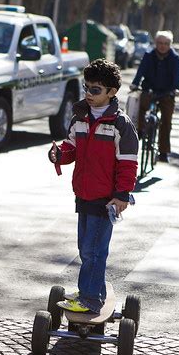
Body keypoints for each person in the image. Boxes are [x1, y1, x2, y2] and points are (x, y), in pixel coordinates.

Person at [48, 59, 138, 314]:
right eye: (86, 88)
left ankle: (89, 298)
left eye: (95, 90)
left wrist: (122, 195)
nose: (88, 93)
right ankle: (92, 291)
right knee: (85, 249)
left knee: (95, 251)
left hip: (106, 199)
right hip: (84, 194)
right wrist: (59, 155)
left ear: (112, 92)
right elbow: (71, 148)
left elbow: (128, 164)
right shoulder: (80, 118)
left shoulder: (120, 125)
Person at [130, 30, 179, 163]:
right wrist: (135, 83)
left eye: (166, 43)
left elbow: (177, 76)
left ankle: (163, 152)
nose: (162, 46)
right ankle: (140, 131)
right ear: (155, 43)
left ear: (170, 44)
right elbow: (140, 71)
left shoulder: (175, 58)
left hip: (167, 92)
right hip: (149, 89)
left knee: (166, 121)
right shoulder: (148, 55)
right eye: (160, 43)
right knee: (140, 106)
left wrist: (176, 89)